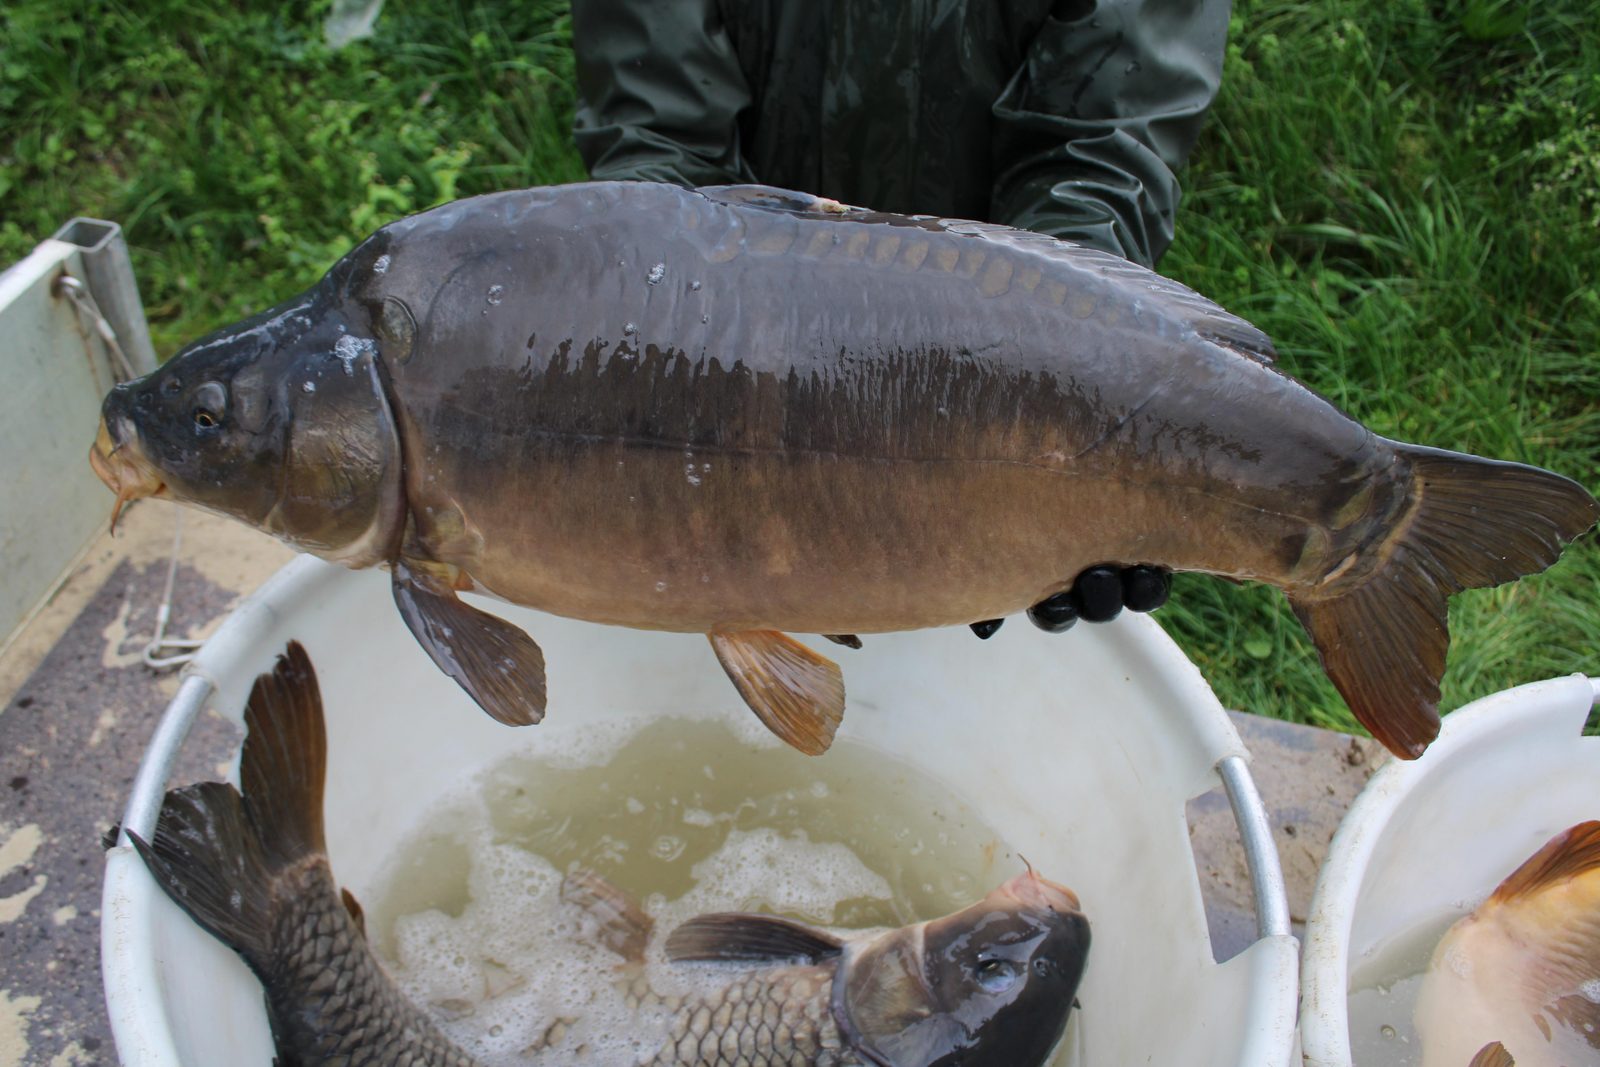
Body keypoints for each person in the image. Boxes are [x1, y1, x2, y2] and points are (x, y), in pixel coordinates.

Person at [570, 0, 1230, 632]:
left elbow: (1100, 150)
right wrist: (685, 367)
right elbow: (659, 136)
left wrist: (1058, 400)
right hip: (736, 377)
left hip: (999, 362)